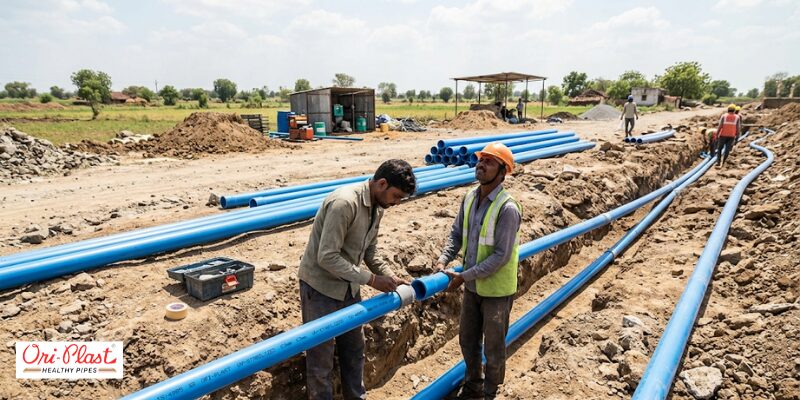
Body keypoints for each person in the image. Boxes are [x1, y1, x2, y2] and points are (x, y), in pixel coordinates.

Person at [298, 159, 415, 400]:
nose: (397, 203)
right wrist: (371, 280)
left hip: (348, 288)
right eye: (396, 196)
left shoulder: (377, 207)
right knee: (321, 360)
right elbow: (327, 256)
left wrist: (388, 275)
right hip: (321, 289)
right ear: (382, 184)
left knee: (354, 351)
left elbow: (370, 251)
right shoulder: (345, 203)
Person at [435, 142, 523, 400]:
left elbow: (500, 256)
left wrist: (464, 276)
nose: (481, 165)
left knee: (493, 347)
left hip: (496, 290)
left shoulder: (507, 208)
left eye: (489, 161)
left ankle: (490, 391)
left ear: (502, 172)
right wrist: (443, 260)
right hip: (473, 286)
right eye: (481, 159)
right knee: (467, 339)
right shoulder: (470, 197)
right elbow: (456, 234)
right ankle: (474, 384)